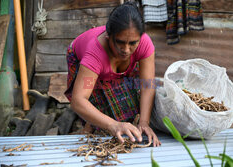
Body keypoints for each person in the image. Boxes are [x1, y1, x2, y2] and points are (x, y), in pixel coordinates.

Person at [64, 2, 161, 147]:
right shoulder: (94, 54)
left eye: (133, 43)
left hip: (110, 67)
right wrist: (114, 125)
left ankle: (96, 124)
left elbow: (147, 85)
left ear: (140, 37)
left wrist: (144, 123)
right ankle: (89, 127)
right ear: (109, 36)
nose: (126, 50)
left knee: (128, 106)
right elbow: (79, 100)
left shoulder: (145, 43)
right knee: (99, 106)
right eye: (120, 42)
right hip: (82, 59)